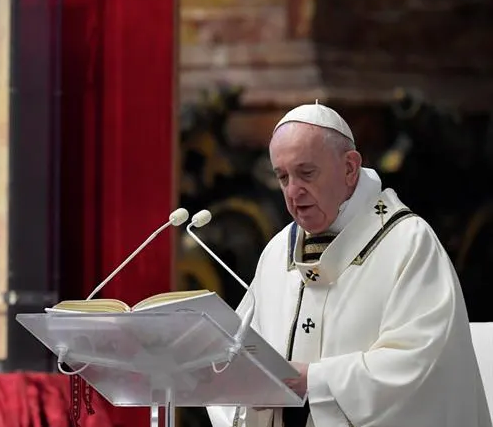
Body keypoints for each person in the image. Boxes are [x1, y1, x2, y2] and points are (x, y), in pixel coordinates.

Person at [207, 102, 492, 427]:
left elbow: (422, 364)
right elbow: (240, 357)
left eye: (306, 173)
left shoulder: (408, 243)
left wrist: (315, 381)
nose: (293, 191)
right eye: (282, 177)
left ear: (349, 168)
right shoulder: (277, 253)